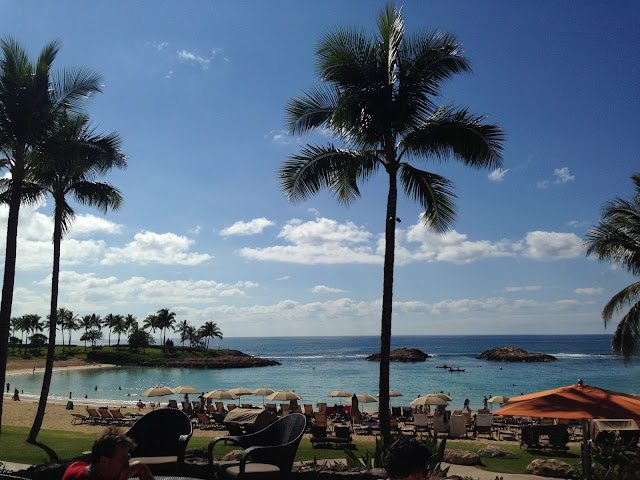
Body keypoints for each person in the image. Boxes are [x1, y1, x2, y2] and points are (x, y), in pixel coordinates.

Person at [63, 426, 154, 480]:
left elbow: (139, 467)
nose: (127, 463)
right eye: (122, 459)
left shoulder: (76, 466)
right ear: (103, 460)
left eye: (128, 457)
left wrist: (140, 467)